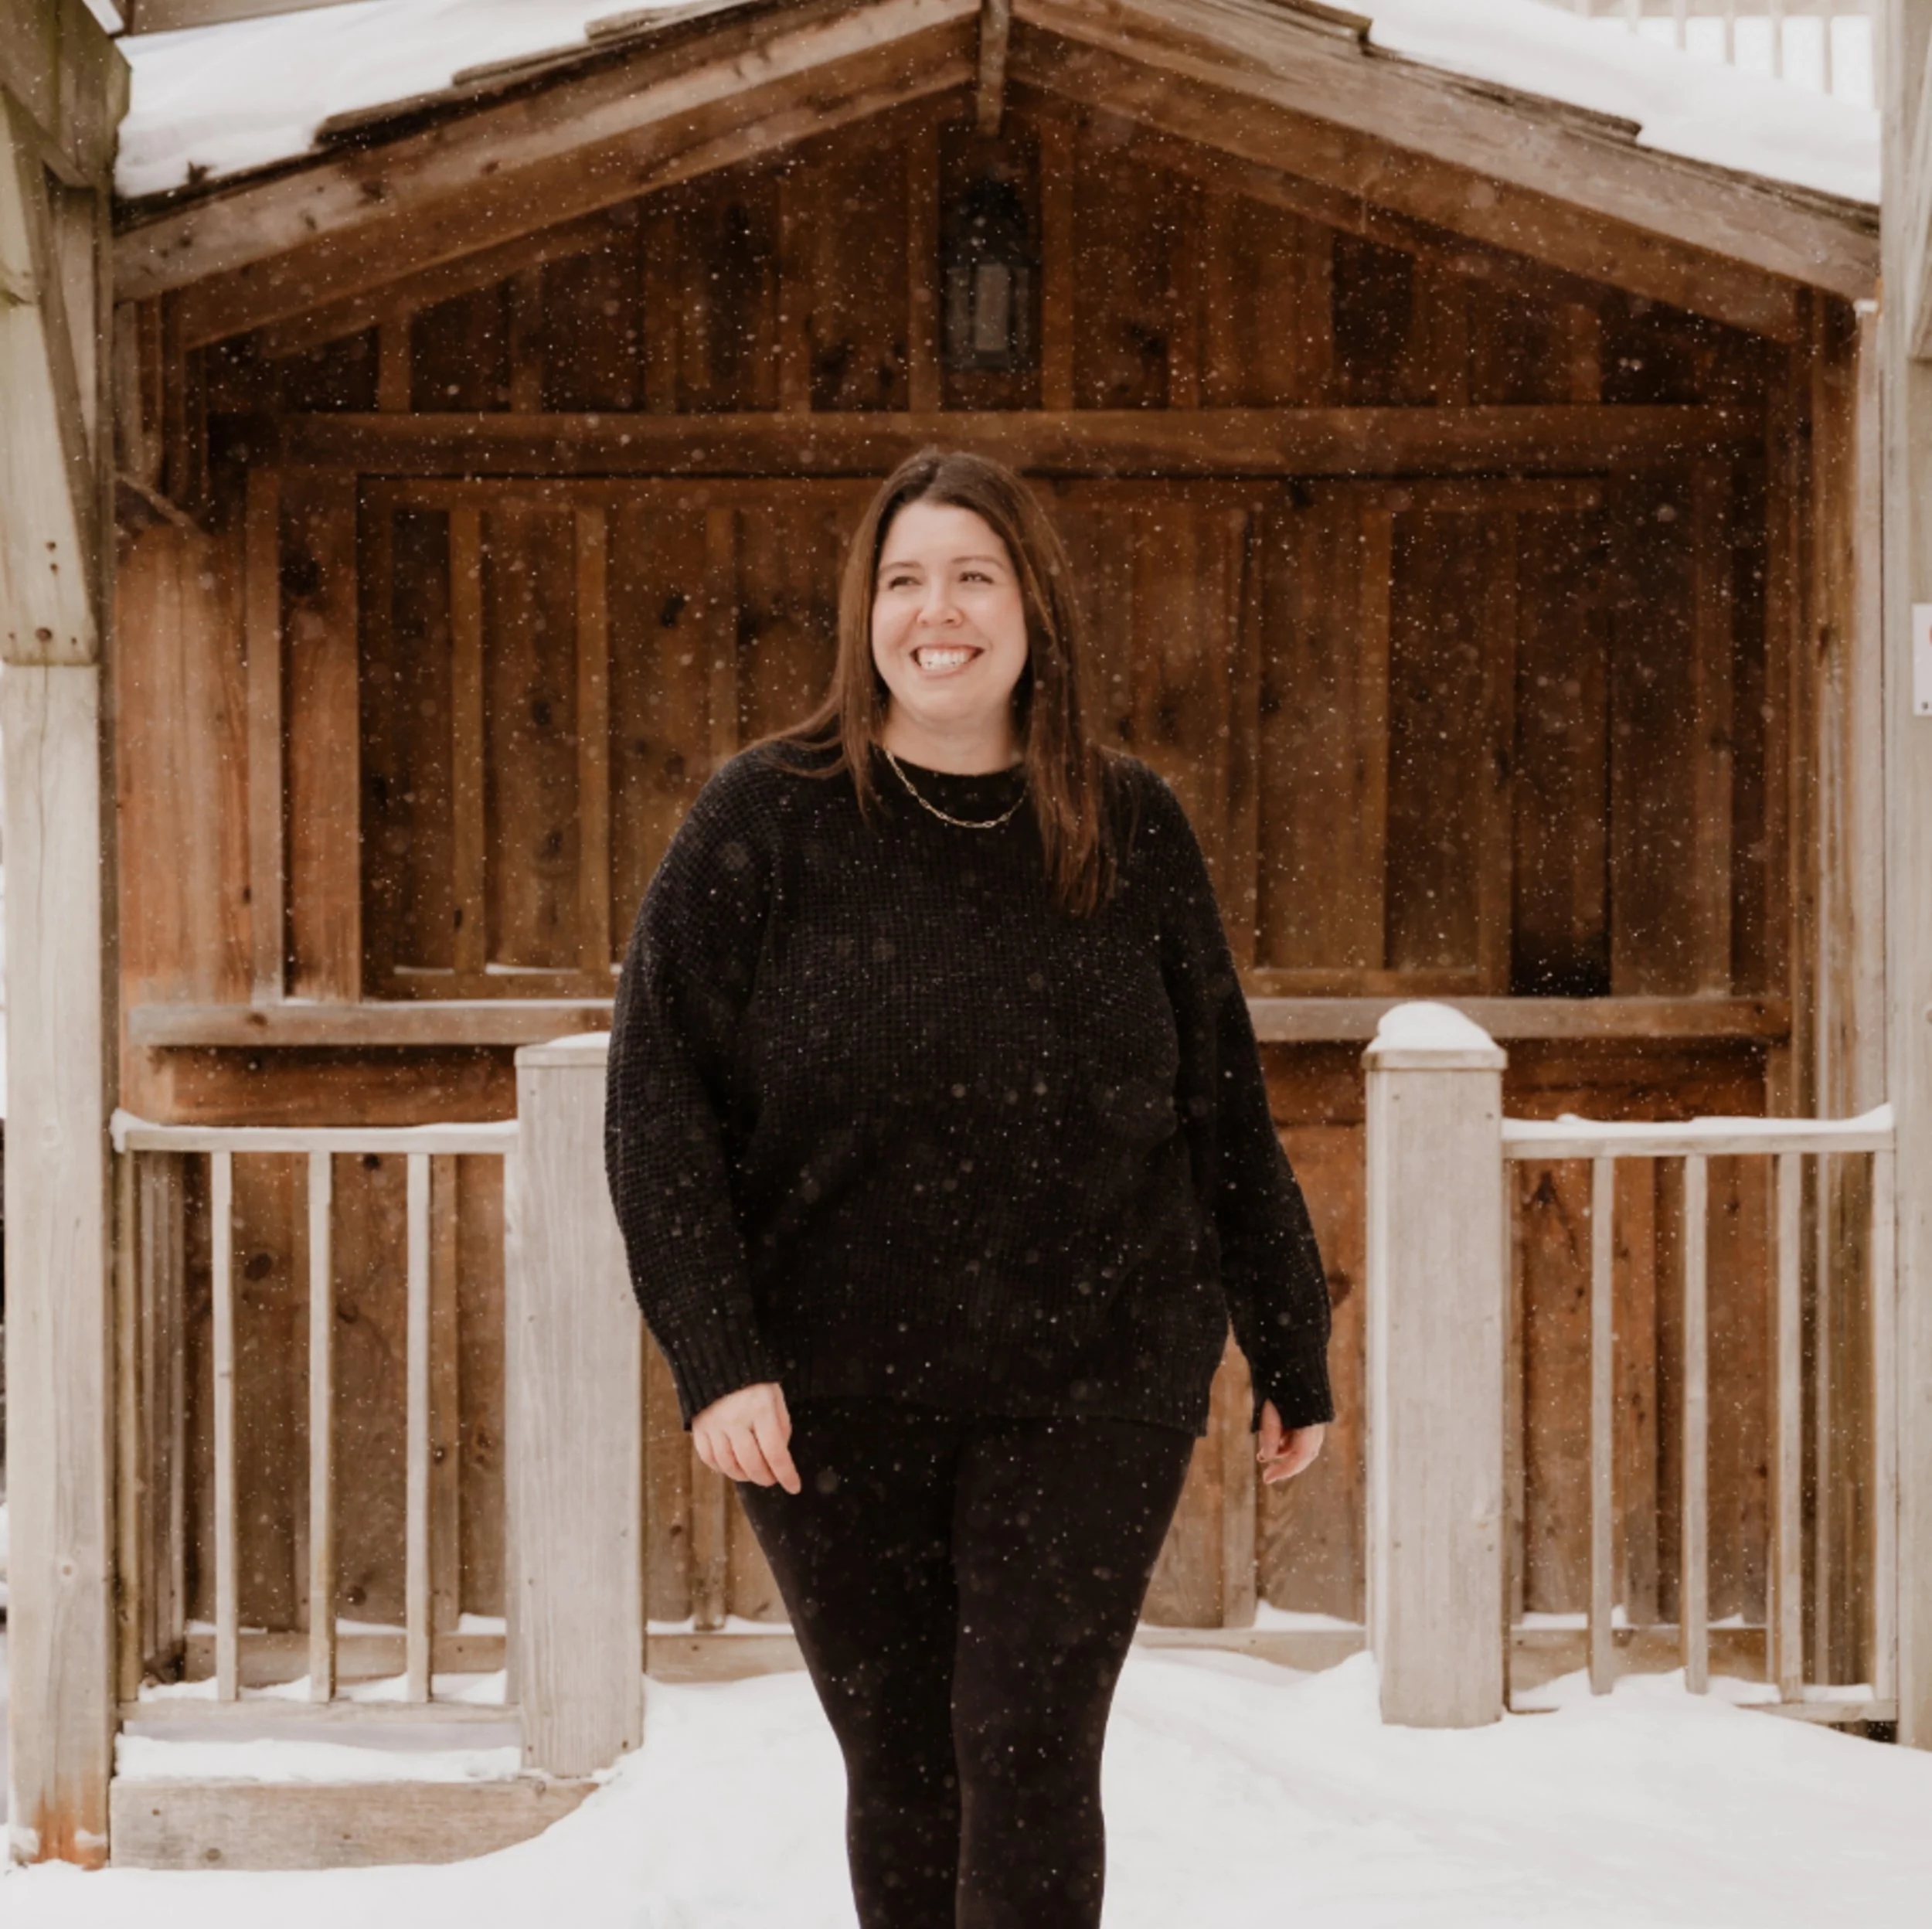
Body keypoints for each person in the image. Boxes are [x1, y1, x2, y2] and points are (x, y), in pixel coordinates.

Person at [604, 448, 1333, 1928]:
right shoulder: (767, 820)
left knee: (1027, 1747)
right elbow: (657, 1097)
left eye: (974, 576)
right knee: (905, 1763)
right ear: (865, 613)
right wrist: (718, 1355)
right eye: (905, 580)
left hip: (1093, 1372)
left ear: (1032, 607)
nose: (939, 613)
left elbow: (1219, 1099)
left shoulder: (1127, 826)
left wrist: (1288, 1333)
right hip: (835, 1386)